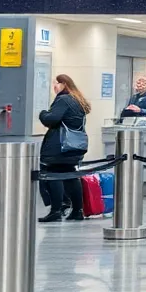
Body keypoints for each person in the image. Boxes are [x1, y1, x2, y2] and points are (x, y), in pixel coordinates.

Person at [37, 74, 91, 223]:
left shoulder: (63, 99)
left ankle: (56, 210)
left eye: (56, 84)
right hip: (75, 145)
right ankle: (77, 210)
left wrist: (42, 114)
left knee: (52, 175)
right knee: (70, 175)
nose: (54, 87)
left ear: (63, 84)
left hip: (60, 146)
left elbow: (51, 119)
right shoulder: (77, 100)